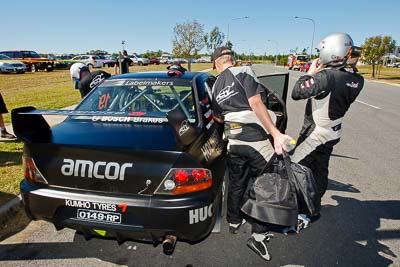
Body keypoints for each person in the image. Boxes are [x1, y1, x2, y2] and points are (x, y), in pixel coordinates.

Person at [211, 46, 291, 261]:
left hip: (233, 143)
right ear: (233, 60)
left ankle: (234, 221)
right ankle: (259, 234)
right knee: (267, 184)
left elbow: (218, 118)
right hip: (255, 141)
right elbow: (256, 102)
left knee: (236, 181)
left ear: (215, 63)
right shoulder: (243, 71)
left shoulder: (215, 85)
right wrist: (275, 133)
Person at [291, 32, 364, 199]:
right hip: (332, 132)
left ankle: (301, 208)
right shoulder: (357, 80)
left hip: (316, 134)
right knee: (320, 169)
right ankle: (315, 204)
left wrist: (310, 73)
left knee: (293, 169)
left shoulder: (327, 77)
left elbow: (296, 92)